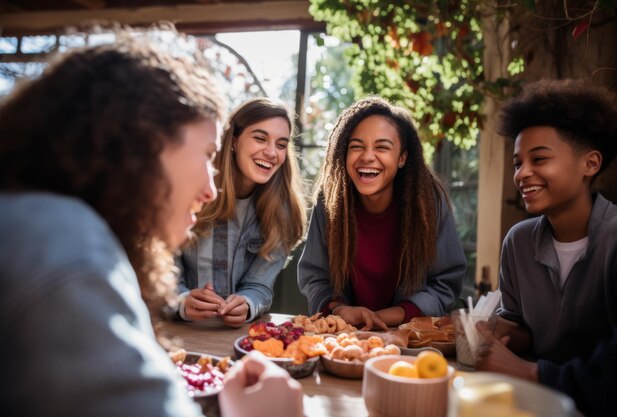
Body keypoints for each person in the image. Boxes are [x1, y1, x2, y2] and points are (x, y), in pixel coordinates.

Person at [0, 29, 302, 417]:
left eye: (282, 143)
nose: (211, 189)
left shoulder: (46, 222)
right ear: (145, 146)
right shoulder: (68, 253)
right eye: (206, 155)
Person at [474, 79, 617, 416]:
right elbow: (521, 327)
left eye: (539, 159)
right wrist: (494, 331)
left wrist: (531, 372)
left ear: (591, 163)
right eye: (517, 163)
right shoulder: (518, 242)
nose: (523, 174)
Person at [298, 96, 466, 330]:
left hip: (410, 335)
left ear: (402, 158)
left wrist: (392, 315)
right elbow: (315, 276)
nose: (367, 156)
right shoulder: (329, 202)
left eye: (382, 147)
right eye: (356, 146)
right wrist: (339, 310)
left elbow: (444, 283)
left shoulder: (428, 203)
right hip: (344, 335)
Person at [175, 97, 307, 327]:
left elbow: (259, 287)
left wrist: (247, 303)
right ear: (234, 140)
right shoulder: (189, 192)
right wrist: (182, 301)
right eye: (260, 138)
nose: (271, 153)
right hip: (177, 331)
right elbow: (162, 274)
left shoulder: (282, 212)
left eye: (281, 144)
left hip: (236, 337)